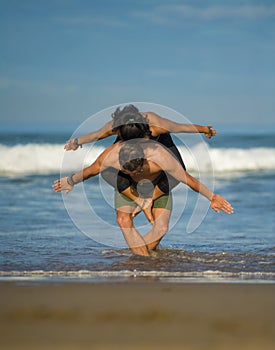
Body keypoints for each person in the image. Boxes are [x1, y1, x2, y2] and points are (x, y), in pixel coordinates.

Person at [53, 139, 233, 256]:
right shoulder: (111, 158)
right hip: (129, 190)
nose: (133, 174)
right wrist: (70, 180)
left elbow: (188, 179)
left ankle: (141, 256)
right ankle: (142, 261)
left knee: (161, 227)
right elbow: (90, 171)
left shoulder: (160, 161)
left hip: (158, 187)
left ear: (143, 163)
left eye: (136, 171)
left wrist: (212, 196)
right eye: (127, 171)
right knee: (123, 219)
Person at [64, 105, 217, 220]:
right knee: (105, 168)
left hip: (162, 142)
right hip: (126, 140)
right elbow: (97, 134)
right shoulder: (117, 126)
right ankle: (137, 197)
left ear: (145, 133)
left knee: (179, 171)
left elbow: (182, 127)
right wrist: (77, 141)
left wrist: (205, 129)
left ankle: (150, 199)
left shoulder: (157, 126)